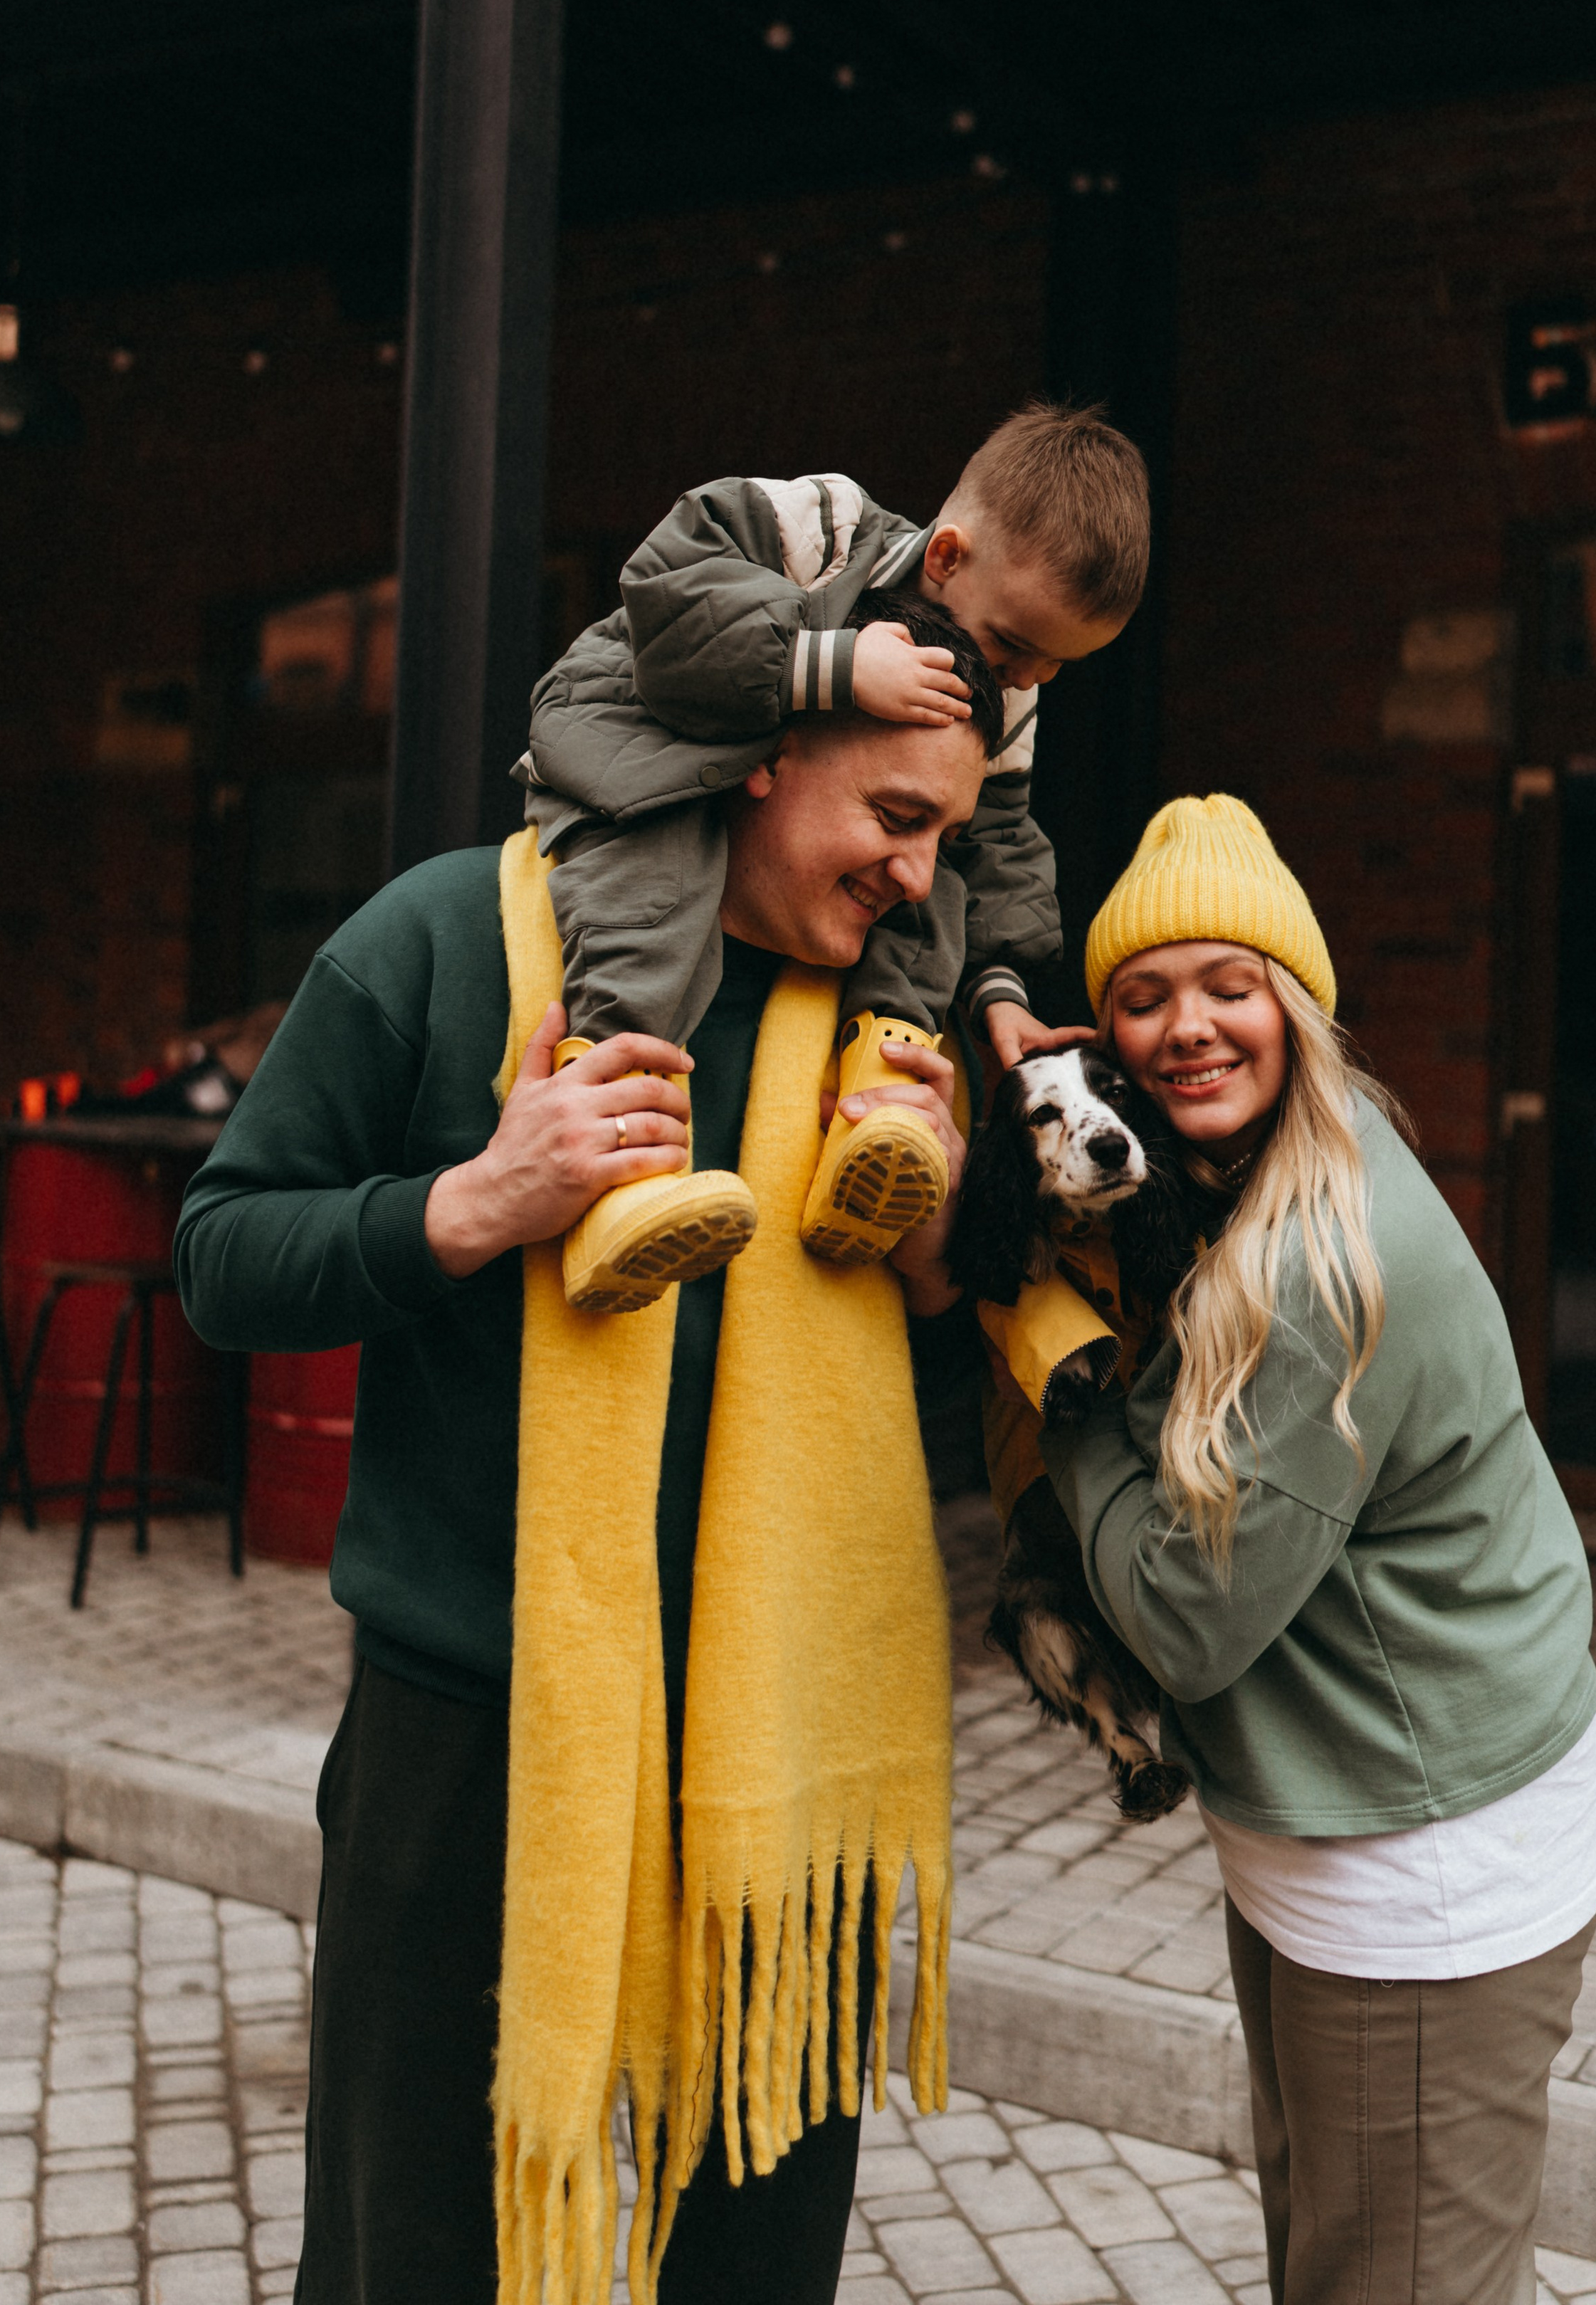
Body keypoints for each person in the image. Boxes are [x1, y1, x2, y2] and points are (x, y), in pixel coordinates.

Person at [173, 626, 999, 2305]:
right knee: (417, 2248)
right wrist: (475, 1198)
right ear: (765, 755)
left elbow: (974, 1359)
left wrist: (939, 1252)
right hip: (470, 1722)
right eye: (895, 815)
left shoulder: (891, 1023)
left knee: (756, 2259)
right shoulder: (444, 936)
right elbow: (221, 1253)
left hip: (782, 1738)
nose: (921, 875)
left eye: (948, 835)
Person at [1003, 794, 1596, 2305]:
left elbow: (1187, 1623)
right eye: (1143, 997)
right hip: (1332, 1823)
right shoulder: (1244, 1179)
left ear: (1298, 1005)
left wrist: (1061, 1387)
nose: (1189, 1027)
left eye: (1231, 985)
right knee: (1346, 2265)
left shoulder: (1318, 1259)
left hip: (1419, 1863)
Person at [518, 403, 1150, 1309]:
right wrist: (831, 665)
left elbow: (1003, 842)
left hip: (769, 770)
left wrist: (1000, 989)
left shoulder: (1003, 695)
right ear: (946, 558)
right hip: (647, 731)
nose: (1027, 680)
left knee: (934, 898)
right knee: (651, 894)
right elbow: (666, 599)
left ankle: (879, 1115)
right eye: (1017, 645)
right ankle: (617, 1168)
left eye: (1058, 665)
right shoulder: (818, 526)